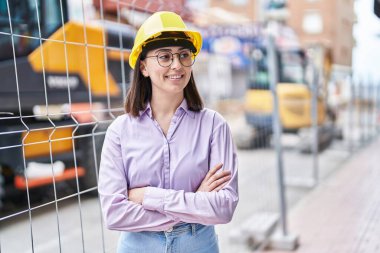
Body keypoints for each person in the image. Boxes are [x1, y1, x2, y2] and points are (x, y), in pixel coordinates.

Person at [98, 11, 239, 253]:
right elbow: (114, 214)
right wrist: (194, 203)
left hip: (198, 245)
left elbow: (223, 207)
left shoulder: (214, 126)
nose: (176, 65)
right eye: (164, 56)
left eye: (184, 55)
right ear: (143, 66)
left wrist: (148, 196)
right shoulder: (119, 132)